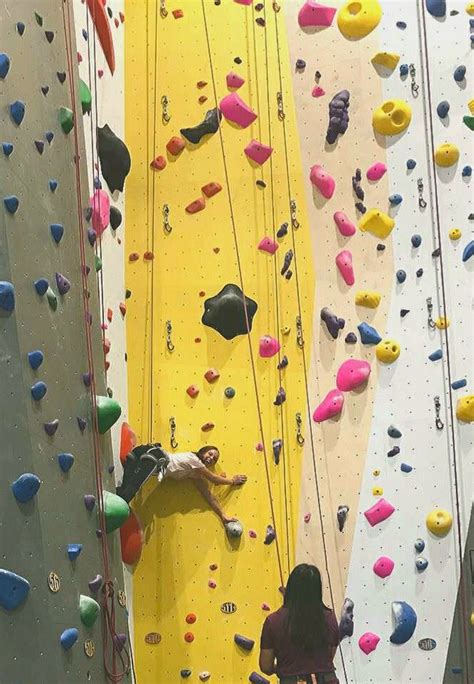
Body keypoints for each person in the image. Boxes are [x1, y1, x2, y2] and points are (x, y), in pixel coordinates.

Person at [116, 442, 247, 525]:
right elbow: (213, 478)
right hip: (156, 456)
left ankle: (113, 501)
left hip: (150, 457)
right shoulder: (194, 459)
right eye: (210, 453)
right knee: (130, 491)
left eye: (214, 459)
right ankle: (111, 509)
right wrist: (232, 481)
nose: (211, 458)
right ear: (203, 451)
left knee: (125, 490)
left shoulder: (195, 474)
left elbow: (209, 496)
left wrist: (223, 515)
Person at [259, 564, 339, 684]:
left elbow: (266, 666)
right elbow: (328, 657)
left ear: (291, 587)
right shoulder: (330, 618)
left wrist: (284, 668)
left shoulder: (273, 621)